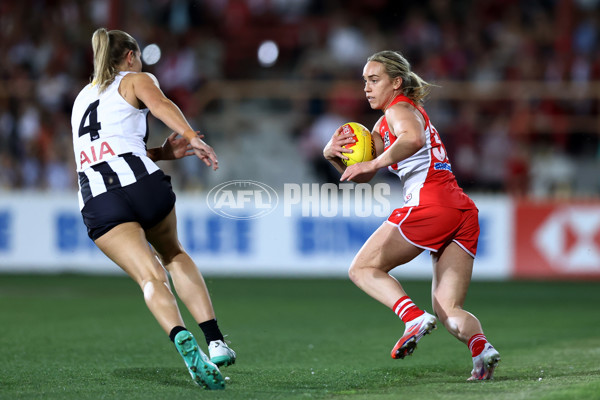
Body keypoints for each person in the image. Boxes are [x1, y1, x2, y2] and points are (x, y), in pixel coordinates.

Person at [70, 28, 236, 390]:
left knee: (150, 278)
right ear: (130, 55)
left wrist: (163, 152)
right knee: (173, 253)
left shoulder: (81, 100)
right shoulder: (135, 79)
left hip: (99, 200)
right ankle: (215, 341)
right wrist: (192, 138)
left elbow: (106, 152)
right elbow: (161, 105)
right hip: (143, 185)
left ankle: (179, 335)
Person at [323, 50, 500, 380]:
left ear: (396, 82)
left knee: (362, 268)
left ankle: (412, 318)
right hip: (459, 208)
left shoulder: (400, 109)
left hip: (429, 202)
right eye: (364, 81)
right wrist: (331, 155)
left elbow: (413, 139)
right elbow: (361, 176)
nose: (366, 87)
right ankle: (482, 349)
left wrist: (373, 162)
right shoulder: (384, 122)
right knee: (448, 309)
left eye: (374, 80)